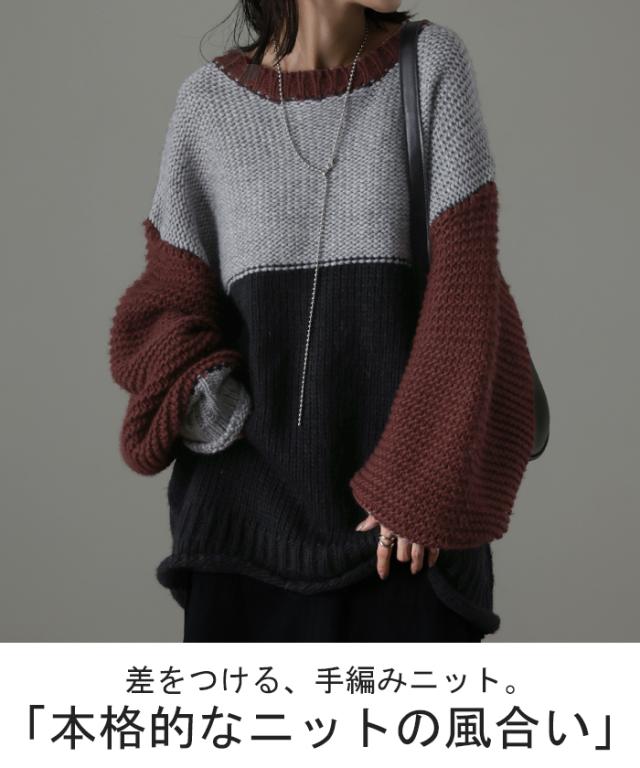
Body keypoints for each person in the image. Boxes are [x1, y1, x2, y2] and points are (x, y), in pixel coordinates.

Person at [109, 0, 536, 642]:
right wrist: (213, 405)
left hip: (399, 535)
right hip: (240, 534)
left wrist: (419, 484)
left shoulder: (430, 65)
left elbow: (466, 292)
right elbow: (163, 307)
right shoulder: (207, 105)